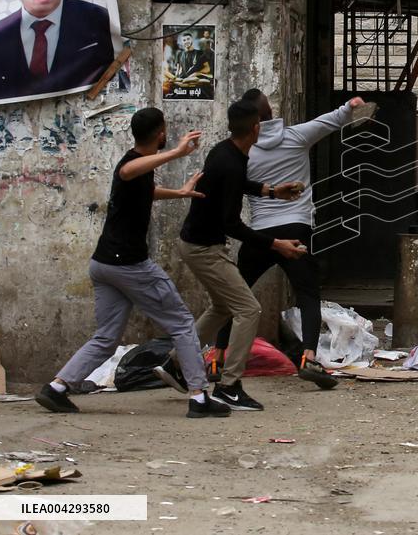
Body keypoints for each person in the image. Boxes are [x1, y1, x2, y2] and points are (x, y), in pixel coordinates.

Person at [35, 108, 231, 419]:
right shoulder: (130, 164)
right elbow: (128, 172)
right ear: (161, 134)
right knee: (181, 323)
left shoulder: (139, 168)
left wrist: (179, 192)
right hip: (128, 265)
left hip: (104, 265)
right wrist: (177, 153)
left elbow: (144, 190)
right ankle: (198, 396)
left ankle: (57, 388)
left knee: (106, 336)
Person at [209, 91, 364, 389]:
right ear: (267, 116)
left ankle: (217, 357)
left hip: (259, 234)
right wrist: (351, 106)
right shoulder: (296, 136)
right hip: (296, 230)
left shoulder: (243, 152)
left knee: (235, 294)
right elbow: (331, 121)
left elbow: (235, 185)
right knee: (307, 292)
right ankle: (308, 357)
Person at [160, 99, 305, 412]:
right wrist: (276, 243)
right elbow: (232, 223)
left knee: (223, 307)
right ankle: (229, 385)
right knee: (249, 309)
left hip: (199, 244)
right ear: (255, 129)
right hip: (205, 249)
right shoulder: (230, 162)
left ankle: (175, 364)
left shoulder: (227, 152)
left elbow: (238, 185)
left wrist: (271, 191)